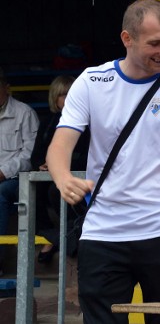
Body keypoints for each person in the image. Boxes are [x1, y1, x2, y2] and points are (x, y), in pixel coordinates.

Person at [46, 0, 160, 323]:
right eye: (155, 43)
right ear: (127, 39)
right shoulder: (92, 81)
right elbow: (59, 145)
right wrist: (63, 176)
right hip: (103, 233)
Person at [31, 75, 89, 263]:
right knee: (26, 192)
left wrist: (62, 165)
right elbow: (37, 153)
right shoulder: (48, 122)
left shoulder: (88, 122)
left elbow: (88, 155)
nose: (67, 99)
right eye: (62, 95)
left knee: (55, 191)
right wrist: (42, 164)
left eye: (71, 94)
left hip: (72, 175)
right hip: (47, 175)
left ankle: (61, 236)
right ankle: (51, 235)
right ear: (54, 98)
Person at [0, 71, 39, 276]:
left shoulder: (25, 113)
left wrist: (3, 172)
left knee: (1, 193)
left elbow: (29, 157)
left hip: (15, 179)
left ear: (6, 88)